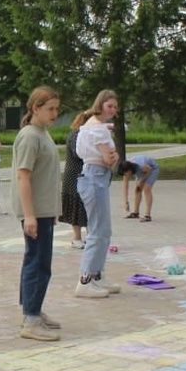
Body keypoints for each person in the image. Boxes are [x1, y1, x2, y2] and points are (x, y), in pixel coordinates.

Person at [11, 86, 63, 341]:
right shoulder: (30, 136)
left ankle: (32, 310)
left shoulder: (42, 133)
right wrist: (30, 215)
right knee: (38, 263)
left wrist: (51, 209)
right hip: (35, 211)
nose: (55, 113)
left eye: (57, 108)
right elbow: (24, 176)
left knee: (37, 260)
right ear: (35, 108)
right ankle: (30, 320)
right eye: (50, 108)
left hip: (43, 209)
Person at [75, 90, 122, 298]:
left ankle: (97, 275)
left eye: (115, 106)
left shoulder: (90, 126)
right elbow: (109, 160)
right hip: (95, 177)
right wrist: (115, 155)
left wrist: (111, 157)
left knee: (104, 230)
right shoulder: (98, 130)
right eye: (109, 105)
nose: (113, 110)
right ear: (100, 104)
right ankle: (85, 280)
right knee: (96, 231)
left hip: (94, 177)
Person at [59, 110, 92, 250]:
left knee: (88, 206)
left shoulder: (85, 135)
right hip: (74, 175)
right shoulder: (76, 135)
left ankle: (90, 237)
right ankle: (77, 238)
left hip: (84, 175)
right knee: (76, 205)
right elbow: (78, 153)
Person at [120, 155, 159, 221]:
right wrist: (125, 202)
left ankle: (147, 215)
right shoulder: (125, 169)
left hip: (152, 169)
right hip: (142, 171)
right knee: (137, 189)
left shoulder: (141, 165)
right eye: (124, 174)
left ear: (129, 170)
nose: (126, 175)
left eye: (126, 173)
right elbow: (125, 187)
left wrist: (141, 180)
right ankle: (136, 213)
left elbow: (149, 170)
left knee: (147, 189)